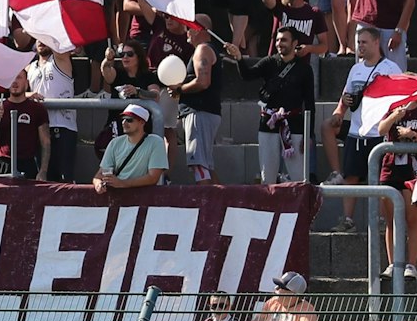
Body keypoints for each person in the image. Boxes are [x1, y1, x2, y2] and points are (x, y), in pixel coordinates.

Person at [323, 25, 401, 231]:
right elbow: (345, 96)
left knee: (382, 182)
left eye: (364, 42)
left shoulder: (391, 69)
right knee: (351, 177)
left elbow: (400, 100)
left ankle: (385, 223)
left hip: (379, 132)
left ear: (377, 42)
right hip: (357, 131)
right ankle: (347, 219)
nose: (360, 47)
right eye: (358, 43)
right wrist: (340, 111)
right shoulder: (355, 69)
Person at [228, 27, 315, 185]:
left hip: (294, 124)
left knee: (298, 177)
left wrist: (309, 134)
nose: (279, 43)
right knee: (267, 175)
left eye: (284, 40)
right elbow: (248, 75)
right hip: (268, 122)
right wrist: (239, 58)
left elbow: (309, 102)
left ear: (295, 43)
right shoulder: (269, 62)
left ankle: (299, 208)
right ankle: (269, 208)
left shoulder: (304, 69)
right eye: (277, 40)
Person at [376, 92, 417, 278]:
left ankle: (411, 264)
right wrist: (396, 115)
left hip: (413, 167)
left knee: (412, 218)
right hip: (390, 166)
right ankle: (393, 263)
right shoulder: (392, 109)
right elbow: (381, 130)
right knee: (391, 219)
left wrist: (413, 135)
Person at [171, 16, 221, 183]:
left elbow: (202, 82)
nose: (186, 32)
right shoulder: (206, 50)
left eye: (189, 28)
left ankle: (205, 204)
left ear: (199, 29)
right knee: (206, 165)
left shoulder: (202, 50)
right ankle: (222, 204)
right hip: (204, 112)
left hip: (199, 112)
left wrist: (179, 89)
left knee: (198, 164)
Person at [27, 42, 77, 183]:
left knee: (63, 182)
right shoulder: (30, 67)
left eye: (45, 38)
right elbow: (15, 92)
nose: (41, 41)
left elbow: (59, 43)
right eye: (38, 38)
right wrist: (27, 94)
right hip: (38, 129)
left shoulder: (60, 60)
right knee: (41, 181)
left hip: (62, 128)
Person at [0, 71, 47, 179]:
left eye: (19, 78)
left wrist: (43, 171)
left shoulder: (37, 109)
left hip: (27, 164)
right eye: (12, 78)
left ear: (27, 83)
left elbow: (45, 142)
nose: (15, 82)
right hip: (2, 162)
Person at [93, 102, 166, 193]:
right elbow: (99, 175)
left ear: (142, 122)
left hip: (144, 197)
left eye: (129, 120)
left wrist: (123, 183)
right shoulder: (114, 143)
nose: (124, 122)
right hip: (117, 197)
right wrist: (98, 184)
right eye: (123, 119)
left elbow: (153, 178)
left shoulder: (155, 142)